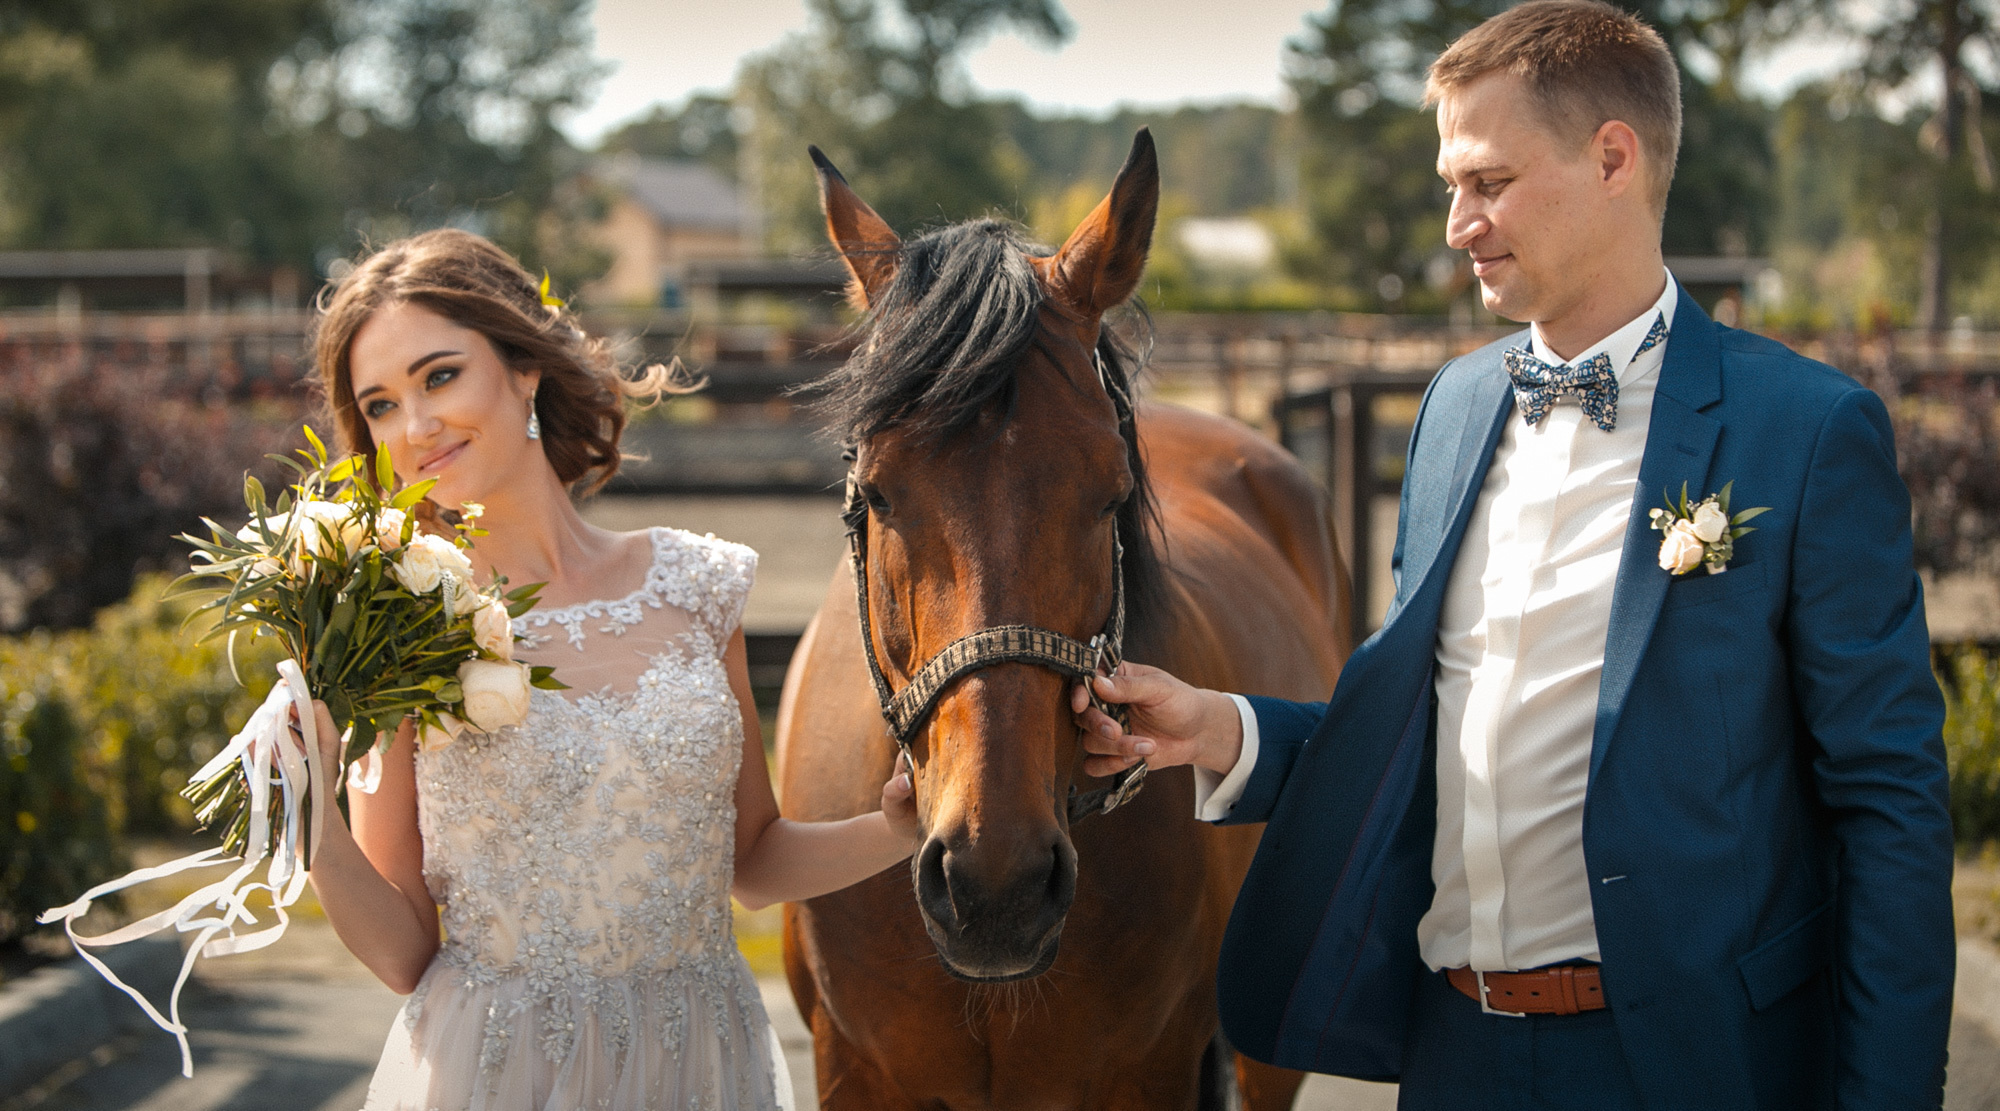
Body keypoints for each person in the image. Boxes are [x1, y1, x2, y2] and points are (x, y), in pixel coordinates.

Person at [1073, 3, 1956, 1108]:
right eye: (1450, 185)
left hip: (1693, 1063)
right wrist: (1219, 729)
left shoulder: (1807, 431)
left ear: (1611, 159)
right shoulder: (1453, 408)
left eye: (1485, 181)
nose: (1457, 223)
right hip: (1455, 1056)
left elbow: (1889, 807)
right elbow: (1426, 739)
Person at [297, 228, 921, 1111]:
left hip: (700, 1063)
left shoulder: (697, 586)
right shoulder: (390, 626)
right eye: (381, 404)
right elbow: (402, 952)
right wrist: (305, 813)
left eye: (439, 376)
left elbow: (751, 860)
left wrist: (902, 826)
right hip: (499, 1074)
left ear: (524, 369)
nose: (417, 424)